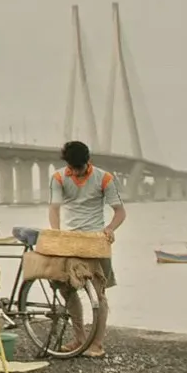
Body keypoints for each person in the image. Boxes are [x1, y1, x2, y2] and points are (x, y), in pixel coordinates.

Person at [47, 140, 124, 357]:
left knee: (99, 294)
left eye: (79, 168)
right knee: (66, 289)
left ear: (88, 162)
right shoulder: (59, 177)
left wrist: (110, 228)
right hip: (71, 240)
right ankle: (79, 339)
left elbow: (120, 211)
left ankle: (97, 344)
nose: (76, 172)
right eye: (72, 168)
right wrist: (56, 232)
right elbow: (54, 209)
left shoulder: (104, 178)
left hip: (95, 240)